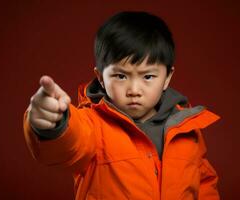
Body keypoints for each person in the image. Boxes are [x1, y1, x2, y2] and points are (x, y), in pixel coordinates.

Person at [23, 11, 221, 199]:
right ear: (100, 78)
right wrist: (55, 123)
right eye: (120, 76)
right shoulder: (92, 124)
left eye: (148, 76)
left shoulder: (186, 128)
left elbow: (203, 183)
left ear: (167, 77)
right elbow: (71, 144)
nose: (134, 89)